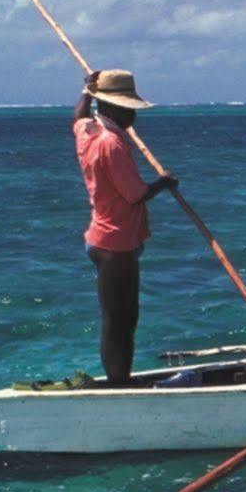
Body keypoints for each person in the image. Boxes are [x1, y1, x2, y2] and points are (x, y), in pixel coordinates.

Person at [73, 69, 176, 387]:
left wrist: (87, 91)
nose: (133, 113)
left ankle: (121, 378)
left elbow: (77, 116)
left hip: (103, 238)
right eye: (127, 107)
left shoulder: (87, 130)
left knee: (121, 316)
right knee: (120, 320)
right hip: (115, 244)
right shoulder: (111, 143)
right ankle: (119, 384)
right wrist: (164, 184)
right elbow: (135, 195)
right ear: (111, 107)